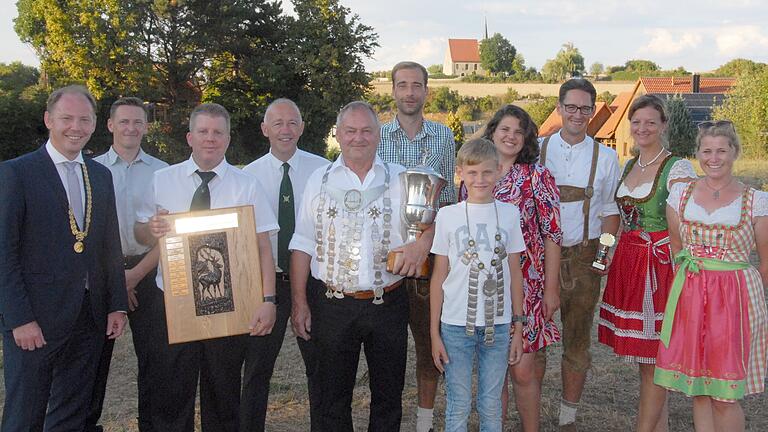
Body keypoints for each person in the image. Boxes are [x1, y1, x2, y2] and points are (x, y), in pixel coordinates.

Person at [134, 103, 278, 431]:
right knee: (170, 395)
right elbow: (141, 232)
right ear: (190, 137)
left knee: (224, 395)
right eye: (203, 132)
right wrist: (150, 229)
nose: (210, 139)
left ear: (228, 139)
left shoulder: (247, 185)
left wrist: (268, 300)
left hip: (227, 306)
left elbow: (263, 248)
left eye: (217, 133)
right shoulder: (162, 180)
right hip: (172, 302)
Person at [290, 101, 430, 431]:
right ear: (338, 135)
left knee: (388, 395)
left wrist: (422, 244)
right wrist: (299, 302)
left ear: (378, 136)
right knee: (332, 398)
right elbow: (302, 243)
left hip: (388, 302)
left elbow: (431, 221)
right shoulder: (318, 180)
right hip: (332, 304)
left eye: (366, 130)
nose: (358, 138)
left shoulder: (401, 177)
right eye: (350, 131)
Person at [0, 85, 128, 431]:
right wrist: (18, 319)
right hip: (35, 321)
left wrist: (116, 303)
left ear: (94, 124)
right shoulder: (17, 173)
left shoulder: (100, 175)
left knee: (72, 412)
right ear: (48, 120)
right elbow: (4, 252)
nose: (76, 126)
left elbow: (108, 246)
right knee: (25, 412)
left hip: (88, 318)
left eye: (84, 119)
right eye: (66, 118)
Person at [655, 121, 767, 431]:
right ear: (698, 154)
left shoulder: (755, 200)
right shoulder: (681, 193)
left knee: (724, 396)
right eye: (707, 151)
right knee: (700, 390)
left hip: (734, 300)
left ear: (735, 153)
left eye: (721, 150)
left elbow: (765, 264)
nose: (713, 158)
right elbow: (678, 249)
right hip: (691, 295)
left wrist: (744, 303)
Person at [459, 105, 562, 431]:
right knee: (494, 372)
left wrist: (551, 289)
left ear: (526, 138)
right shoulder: (474, 175)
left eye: (519, 131)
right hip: (484, 286)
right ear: (492, 132)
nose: (511, 136)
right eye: (505, 129)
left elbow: (553, 234)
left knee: (522, 370)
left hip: (528, 287)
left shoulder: (536, 177)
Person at [597, 95, 696, 432]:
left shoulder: (677, 167)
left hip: (660, 267)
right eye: (637, 122)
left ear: (663, 125)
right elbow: (619, 221)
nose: (642, 128)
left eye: (650, 122)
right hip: (629, 261)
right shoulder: (629, 165)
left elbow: (686, 220)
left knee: (655, 361)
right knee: (647, 362)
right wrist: (604, 252)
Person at [377, 60, 456, 432]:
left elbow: (450, 200)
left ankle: (424, 423)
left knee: (428, 345)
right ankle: (387, 420)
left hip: (429, 257)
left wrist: (427, 241)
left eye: (416, 85)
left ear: (426, 90)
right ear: (392, 90)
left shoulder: (444, 137)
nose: (409, 92)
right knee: (387, 351)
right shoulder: (374, 137)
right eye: (402, 85)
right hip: (386, 261)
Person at [538, 78, 621, 430]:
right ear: (558, 108)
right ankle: (531, 406)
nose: (577, 114)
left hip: (585, 255)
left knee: (577, 339)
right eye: (570, 107)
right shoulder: (537, 148)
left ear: (592, 111)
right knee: (532, 337)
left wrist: (604, 252)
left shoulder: (606, 156)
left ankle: (567, 416)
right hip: (538, 258)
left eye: (585, 108)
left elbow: (610, 209)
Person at [241, 98, 329, 431]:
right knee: (256, 371)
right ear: (264, 129)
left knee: (320, 368)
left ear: (303, 127)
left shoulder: (324, 172)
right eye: (277, 123)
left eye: (292, 122)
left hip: (313, 284)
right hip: (267, 285)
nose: (285, 130)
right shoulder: (247, 177)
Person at [430, 138, 526, 432]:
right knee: (458, 403)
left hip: (497, 327)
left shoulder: (510, 213)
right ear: (460, 173)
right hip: (455, 326)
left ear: (499, 171)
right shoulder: (448, 216)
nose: (480, 179)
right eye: (472, 173)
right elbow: (438, 278)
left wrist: (518, 326)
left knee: (491, 403)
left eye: (486, 172)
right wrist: (434, 333)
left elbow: (515, 272)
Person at [86, 97, 169, 432]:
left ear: (146, 127)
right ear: (110, 125)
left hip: (148, 272)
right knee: (92, 362)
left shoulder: (163, 172)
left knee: (155, 361)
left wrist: (134, 276)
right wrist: (117, 280)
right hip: (102, 274)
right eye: (124, 122)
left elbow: (169, 232)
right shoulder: (90, 169)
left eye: (138, 122)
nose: (131, 128)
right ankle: (85, 423)